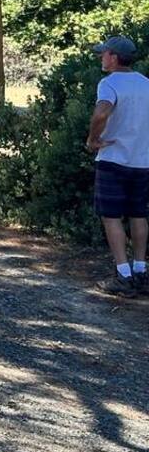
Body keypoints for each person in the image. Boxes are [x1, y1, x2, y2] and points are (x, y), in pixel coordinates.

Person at [86, 36, 149, 297]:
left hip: (113, 158)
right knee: (138, 214)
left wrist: (93, 139)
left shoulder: (109, 83)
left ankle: (123, 275)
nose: (102, 57)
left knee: (111, 216)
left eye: (104, 54)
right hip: (142, 160)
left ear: (113, 57)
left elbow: (101, 113)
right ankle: (141, 270)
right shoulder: (145, 83)